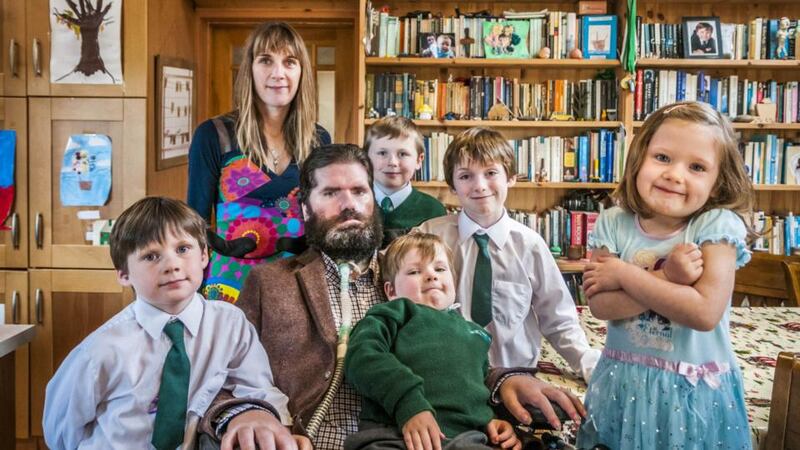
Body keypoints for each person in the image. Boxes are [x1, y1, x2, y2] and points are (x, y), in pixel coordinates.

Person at [198, 144, 585, 450]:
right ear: (305, 206)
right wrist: (247, 415)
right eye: (331, 192)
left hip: (420, 438)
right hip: (307, 438)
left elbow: (455, 351)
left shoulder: (414, 274)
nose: (348, 204)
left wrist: (506, 381)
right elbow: (219, 374)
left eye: (359, 191)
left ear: (373, 197)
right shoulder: (270, 283)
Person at [43, 197, 302, 450]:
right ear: (123, 275)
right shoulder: (101, 350)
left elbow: (257, 389)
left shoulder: (229, 324)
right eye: (151, 256)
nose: (172, 265)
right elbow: (60, 432)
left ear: (204, 256)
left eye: (182, 249)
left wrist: (278, 430)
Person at [575, 101, 754, 449]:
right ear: (638, 159)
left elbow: (703, 312)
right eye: (662, 158)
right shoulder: (614, 221)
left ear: (718, 183)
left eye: (697, 166)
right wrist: (670, 279)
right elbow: (601, 306)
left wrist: (625, 274)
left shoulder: (716, 226)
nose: (675, 174)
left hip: (693, 392)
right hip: (623, 386)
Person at [417, 127, 600, 403]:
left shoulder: (530, 245)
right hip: (448, 375)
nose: (479, 185)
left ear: (511, 177)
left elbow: (557, 315)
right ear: (453, 186)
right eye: (466, 176)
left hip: (517, 376)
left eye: (491, 173)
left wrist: (586, 361)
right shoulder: (430, 236)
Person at [187, 21, 331, 303]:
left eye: (290, 62)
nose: (278, 73)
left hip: (298, 285)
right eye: (266, 60)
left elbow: (324, 220)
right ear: (250, 69)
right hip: (230, 287)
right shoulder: (214, 135)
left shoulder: (318, 140)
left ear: (302, 72)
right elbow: (193, 225)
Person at [344, 232, 521, 450]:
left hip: (467, 438)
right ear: (391, 291)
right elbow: (362, 357)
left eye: (439, 269)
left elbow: (476, 388)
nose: (431, 276)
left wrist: (490, 420)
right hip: (393, 435)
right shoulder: (395, 312)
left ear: (453, 282)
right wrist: (408, 402)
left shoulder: (476, 333)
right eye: (415, 271)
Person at [364, 117, 446, 246]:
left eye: (402, 154)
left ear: (419, 160)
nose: (392, 162)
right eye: (382, 153)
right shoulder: (355, 205)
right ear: (366, 158)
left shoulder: (434, 211)